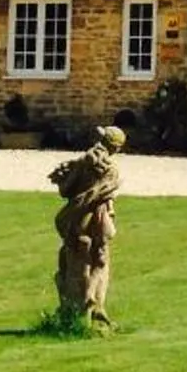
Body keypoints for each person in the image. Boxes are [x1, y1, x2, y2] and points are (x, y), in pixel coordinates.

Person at [48, 124, 124, 326]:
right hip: (98, 220)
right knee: (98, 261)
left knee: (73, 260)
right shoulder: (112, 170)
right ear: (116, 148)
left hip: (77, 218)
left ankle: (77, 308)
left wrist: (63, 178)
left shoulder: (83, 161)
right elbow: (104, 192)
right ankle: (90, 304)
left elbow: (65, 190)